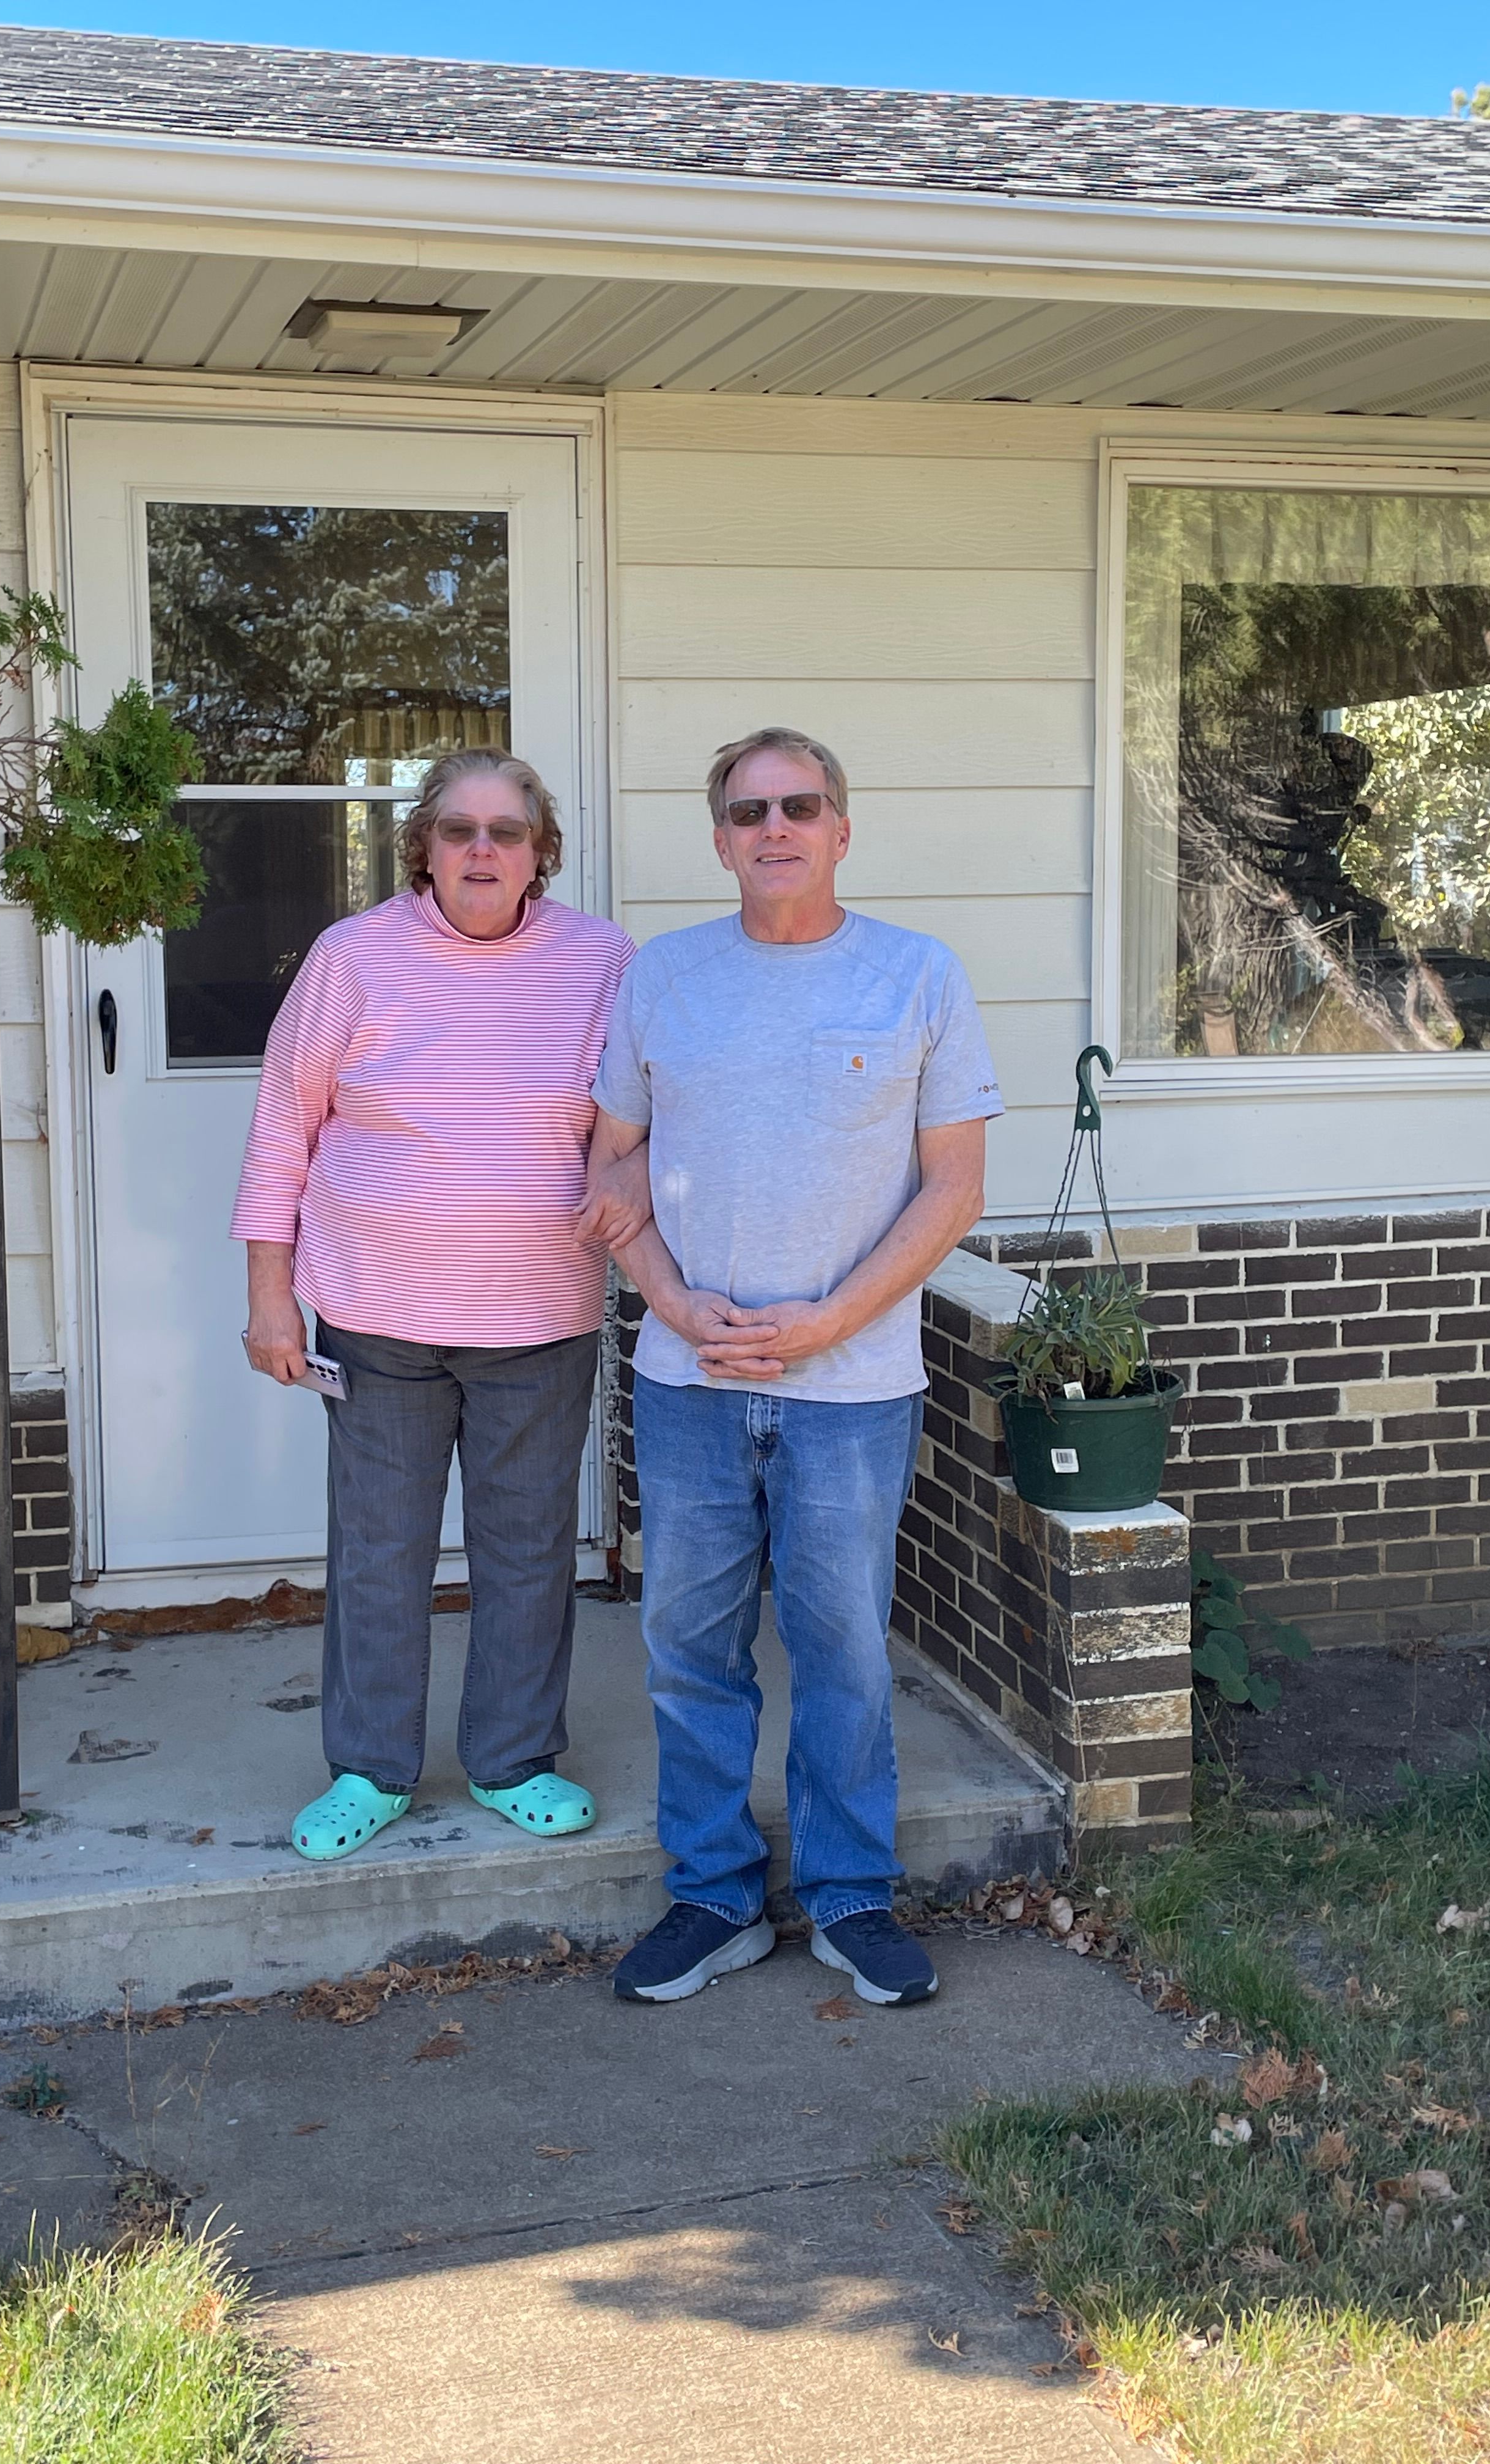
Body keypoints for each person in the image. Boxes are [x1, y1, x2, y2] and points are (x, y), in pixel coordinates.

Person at [589, 726, 1001, 2006]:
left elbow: (954, 1190)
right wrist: (672, 1299)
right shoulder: (665, 977)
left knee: (844, 1651)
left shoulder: (919, 975)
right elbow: (609, 1170)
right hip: (689, 1380)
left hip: (853, 1390)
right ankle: (714, 1897)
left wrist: (828, 1322)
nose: (777, 827)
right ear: (720, 839)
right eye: (750, 809)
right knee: (689, 1643)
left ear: (840, 827)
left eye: (801, 806)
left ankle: (848, 1896)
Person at [231, 749, 640, 1861]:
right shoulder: (352, 958)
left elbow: (639, 1121)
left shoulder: (604, 962)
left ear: (539, 852)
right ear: (424, 846)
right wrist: (272, 1298)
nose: (482, 851)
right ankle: (370, 1769)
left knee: (526, 1549)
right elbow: (284, 1130)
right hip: (375, 1318)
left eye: (507, 832)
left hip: (540, 1318)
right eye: (459, 830)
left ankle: (514, 1758)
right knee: (380, 1551)